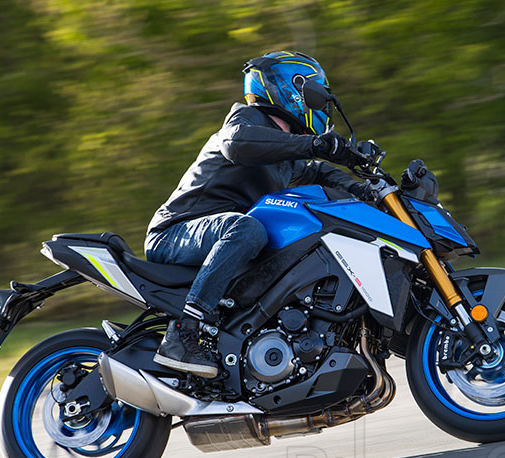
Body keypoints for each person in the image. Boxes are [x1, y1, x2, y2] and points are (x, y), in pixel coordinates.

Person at [145, 51, 366, 379]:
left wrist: (365, 186)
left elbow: (318, 172)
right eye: (316, 91)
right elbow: (237, 143)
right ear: (292, 88)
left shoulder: (284, 155)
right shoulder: (246, 120)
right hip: (174, 232)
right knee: (249, 229)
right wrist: (314, 144)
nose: (322, 101)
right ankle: (183, 332)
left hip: (220, 238)